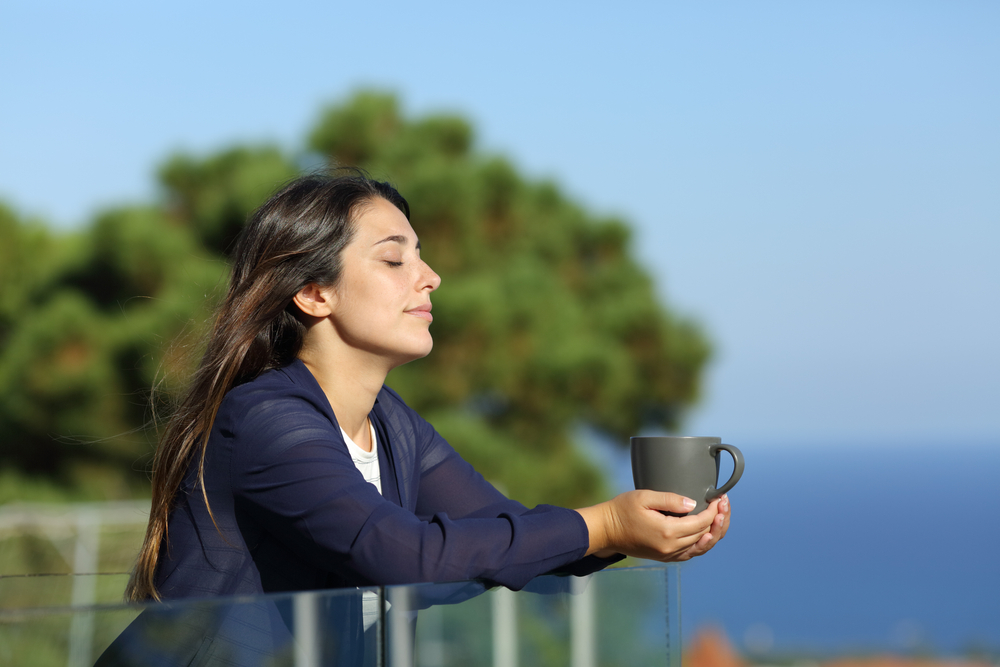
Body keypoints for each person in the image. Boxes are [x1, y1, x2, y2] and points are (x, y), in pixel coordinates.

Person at [125, 171, 731, 606]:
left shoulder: (390, 424)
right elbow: (403, 555)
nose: (431, 277)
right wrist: (604, 526)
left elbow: (503, 528)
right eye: (395, 261)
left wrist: (645, 532)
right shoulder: (263, 418)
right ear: (313, 293)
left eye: (422, 257)